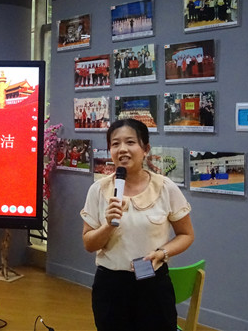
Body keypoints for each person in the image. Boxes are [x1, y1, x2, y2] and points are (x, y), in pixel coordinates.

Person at [80, 118, 194, 331]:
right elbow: (89, 244)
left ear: (145, 149)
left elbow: (186, 234)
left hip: (152, 282)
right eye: (115, 144)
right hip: (111, 285)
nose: (122, 149)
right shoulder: (98, 190)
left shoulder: (165, 187)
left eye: (130, 142)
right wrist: (108, 226)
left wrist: (161, 253)